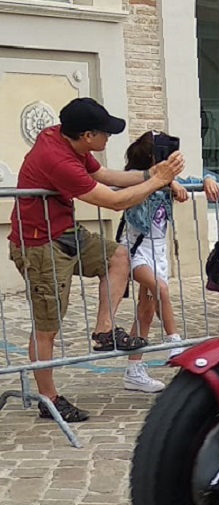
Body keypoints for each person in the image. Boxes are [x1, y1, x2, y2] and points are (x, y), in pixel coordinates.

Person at [7, 97, 185, 423]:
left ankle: (104, 330)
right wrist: (157, 182)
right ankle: (49, 399)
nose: (109, 140)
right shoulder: (58, 160)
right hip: (39, 244)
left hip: (64, 230)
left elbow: (108, 176)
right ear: (88, 135)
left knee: (118, 256)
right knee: (48, 327)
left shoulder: (63, 138)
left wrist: (150, 173)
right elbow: (115, 201)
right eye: (105, 134)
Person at [117, 131, 219, 393]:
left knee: (146, 311)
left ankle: (134, 369)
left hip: (158, 251)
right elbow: (117, 192)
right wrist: (161, 182)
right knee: (161, 289)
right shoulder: (134, 179)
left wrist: (207, 179)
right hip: (135, 250)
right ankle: (174, 342)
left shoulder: (170, 181)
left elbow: (195, 180)